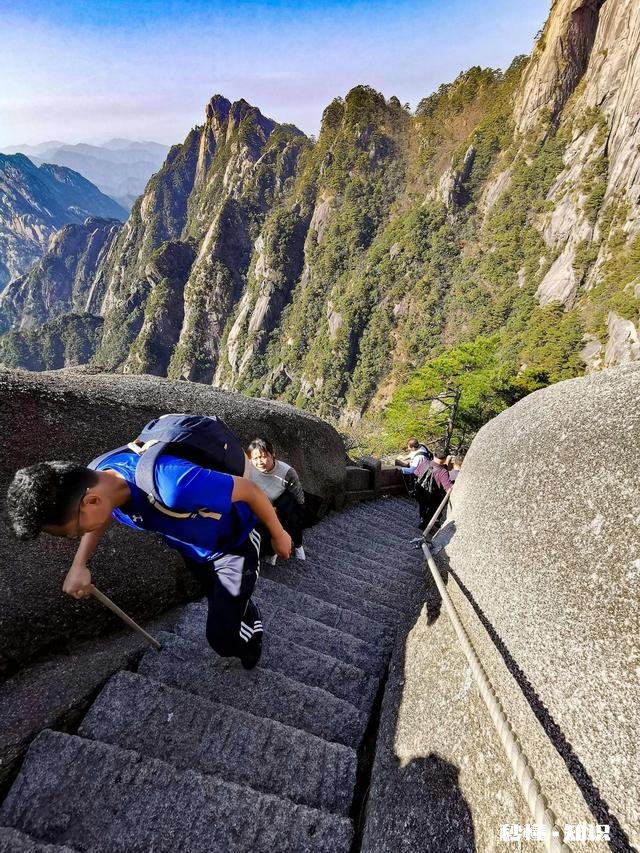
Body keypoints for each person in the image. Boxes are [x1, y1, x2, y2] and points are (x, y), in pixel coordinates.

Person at [5, 442, 293, 671]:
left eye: (74, 532)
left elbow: (252, 490)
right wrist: (79, 564)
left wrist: (279, 535)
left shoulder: (174, 485)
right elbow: (104, 513)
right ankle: (238, 606)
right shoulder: (99, 474)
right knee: (221, 601)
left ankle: (250, 626)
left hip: (233, 546)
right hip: (193, 550)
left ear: (91, 500)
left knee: (222, 638)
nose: (79, 536)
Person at [247, 437, 306, 565]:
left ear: (273, 454)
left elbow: (299, 498)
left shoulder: (286, 472)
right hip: (257, 506)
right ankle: (272, 551)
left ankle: (297, 544)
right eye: (255, 458)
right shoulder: (248, 468)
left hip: (279, 504)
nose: (259, 462)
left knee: (290, 510)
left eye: (263, 456)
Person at [414, 445, 453, 532]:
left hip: (420, 492)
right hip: (433, 497)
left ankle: (422, 519)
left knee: (422, 506)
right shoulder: (442, 472)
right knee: (433, 509)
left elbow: (416, 473)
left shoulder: (424, 462)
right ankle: (425, 526)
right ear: (445, 458)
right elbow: (448, 488)